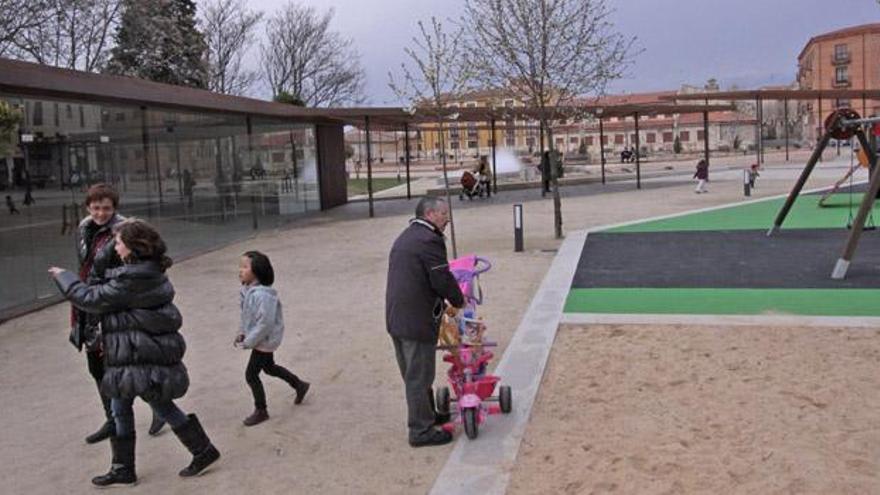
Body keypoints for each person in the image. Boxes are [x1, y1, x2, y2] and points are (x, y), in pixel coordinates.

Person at [49, 219, 220, 487]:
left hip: (136, 354)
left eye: (118, 243)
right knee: (121, 406)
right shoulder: (143, 271)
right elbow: (104, 279)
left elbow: (90, 298)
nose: (114, 247)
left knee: (159, 405)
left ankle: (201, 450)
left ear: (131, 247)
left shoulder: (132, 280)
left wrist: (65, 277)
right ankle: (124, 467)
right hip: (130, 352)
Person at [71, 184, 166, 444]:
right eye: (96, 207)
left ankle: (161, 409)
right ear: (88, 207)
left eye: (106, 208)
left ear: (115, 208)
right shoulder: (83, 227)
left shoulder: (124, 231)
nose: (100, 213)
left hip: (113, 303)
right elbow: (86, 265)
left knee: (127, 368)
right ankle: (112, 420)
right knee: (97, 368)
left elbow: (135, 268)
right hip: (88, 302)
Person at [386, 197, 464, 447]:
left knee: (414, 374)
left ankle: (427, 415)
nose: (447, 218)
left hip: (398, 318)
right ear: (430, 214)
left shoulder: (408, 235)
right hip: (416, 320)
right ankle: (420, 430)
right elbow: (441, 278)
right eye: (443, 214)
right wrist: (458, 300)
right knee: (418, 377)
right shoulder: (429, 240)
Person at [235, 250, 311, 426]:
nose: (240, 270)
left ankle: (261, 410)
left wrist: (249, 341)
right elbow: (247, 317)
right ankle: (299, 384)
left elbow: (265, 323)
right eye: (240, 266)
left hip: (265, 340)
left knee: (251, 375)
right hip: (260, 338)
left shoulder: (262, 296)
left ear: (257, 271)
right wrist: (242, 332)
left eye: (245, 267)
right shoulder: (248, 292)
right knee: (269, 368)